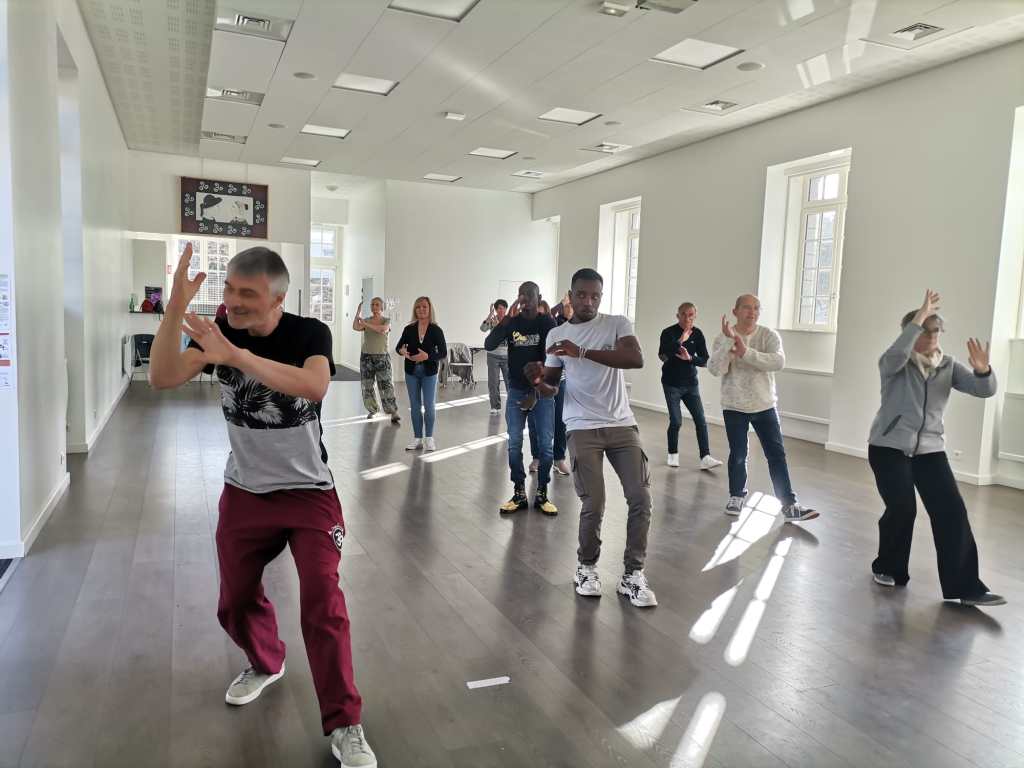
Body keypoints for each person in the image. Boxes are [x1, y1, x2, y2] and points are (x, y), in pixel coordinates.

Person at [148, 244, 377, 768]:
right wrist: (175, 306)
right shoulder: (218, 331)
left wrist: (236, 357)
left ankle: (346, 722)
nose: (233, 301)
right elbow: (162, 376)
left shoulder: (309, 333)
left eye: (247, 293)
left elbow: (314, 385)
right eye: (228, 289)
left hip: (308, 493)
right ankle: (266, 661)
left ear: (277, 298)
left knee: (323, 600)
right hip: (246, 491)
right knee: (234, 599)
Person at [526, 268, 657, 608]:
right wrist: (538, 380)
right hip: (581, 425)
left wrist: (581, 352)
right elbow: (551, 387)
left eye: (595, 296)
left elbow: (635, 359)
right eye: (582, 295)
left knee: (641, 497)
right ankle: (586, 568)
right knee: (594, 501)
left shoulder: (616, 324)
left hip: (621, 423)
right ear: (570, 296)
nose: (588, 301)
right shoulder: (557, 334)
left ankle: (632, 575)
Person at [867, 290, 1004, 607]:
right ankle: (888, 567)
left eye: (936, 330)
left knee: (952, 511)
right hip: (889, 447)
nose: (932, 336)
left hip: (930, 450)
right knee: (903, 508)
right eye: (924, 329)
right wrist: (919, 316)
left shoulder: (948, 366)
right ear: (910, 331)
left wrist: (983, 371)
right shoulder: (894, 363)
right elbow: (895, 354)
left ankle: (967, 588)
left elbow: (982, 390)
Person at [707, 294, 817, 522]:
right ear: (735, 311)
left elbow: (778, 362)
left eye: (756, 308)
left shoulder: (768, 335)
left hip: (764, 405)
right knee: (738, 454)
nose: (752, 312)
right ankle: (736, 496)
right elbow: (716, 369)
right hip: (734, 405)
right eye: (747, 307)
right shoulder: (722, 338)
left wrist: (745, 352)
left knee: (776, 455)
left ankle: (789, 505)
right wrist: (729, 343)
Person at [485, 282, 558, 515]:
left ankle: (542, 493)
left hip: (542, 391)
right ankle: (519, 492)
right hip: (516, 391)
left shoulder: (546, 323)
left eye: (529, 295)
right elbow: (489, 344)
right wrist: (505, 320)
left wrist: (536, 391)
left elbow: (553, 359)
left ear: (539, 298)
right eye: (521, 295)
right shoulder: (512, 322)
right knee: (514, 444)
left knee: (546, 446)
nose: (524, 300)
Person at [659, 302, 722, 470]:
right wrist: (681, 340)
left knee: (701, 420)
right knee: (676, 421)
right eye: (684, 314)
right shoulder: (668, 333)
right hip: (671, 384)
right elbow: (663, 356)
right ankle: (673, 454)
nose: (687, 318)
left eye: (691, 315)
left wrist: (690, 359)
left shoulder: (698, 334)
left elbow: (705, 360)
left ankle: (705, 457)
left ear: (695, 316)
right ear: (678, 315)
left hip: (691, 385)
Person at [396, 297, 447, 452]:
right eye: (418, 307)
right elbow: (398, 347)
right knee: (415, 405)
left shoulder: (436, 330)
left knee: (429, 405)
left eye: (424, 306)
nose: (421, 309)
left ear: (430, 309)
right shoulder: (409, 329)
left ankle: (429, 438)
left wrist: (427, 356)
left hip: (429, 372)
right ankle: (417, 438)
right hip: (411, 371)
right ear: (415, 310)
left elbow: (443, 353)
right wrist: (402, 351)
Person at [353, 297, 400, 424]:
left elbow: (382, 330)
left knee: (386, 385)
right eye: (372, 304)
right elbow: (355, 327)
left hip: (382, 357)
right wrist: (358, 312)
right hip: (366, 357)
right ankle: (372, 410)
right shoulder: (367, 320)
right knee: (367, 385)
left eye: (377, 304)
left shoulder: (386, 320)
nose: (374, 307)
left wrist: (365, 324)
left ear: (382, 307)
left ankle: (393, 411)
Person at [480, 299, 510, 415]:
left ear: (506, 309)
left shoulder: (509, 321)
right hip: (493, 355)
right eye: (499, 308)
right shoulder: (492, 320)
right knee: (493, 382)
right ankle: (495, 406)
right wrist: (489, 316)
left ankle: (512, 404)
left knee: (510, 381)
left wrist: (499, 327)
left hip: (507, 356)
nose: (501, 310)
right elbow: (483, 328)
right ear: (496, 310)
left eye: (503, 308)